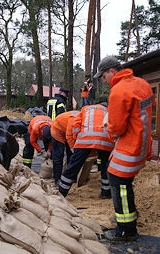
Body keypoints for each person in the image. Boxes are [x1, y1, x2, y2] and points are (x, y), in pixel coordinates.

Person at [93, 56, 155, 241]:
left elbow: (117, 127)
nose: (105, 81)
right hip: (143, 144)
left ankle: (126, 229)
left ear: (112, 71)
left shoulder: (119, 90)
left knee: (118, 182)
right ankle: (128, 218)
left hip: (129, 145)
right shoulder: (142, 84)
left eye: (104, 77)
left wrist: (109, 129)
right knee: (124, 184)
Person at [58, 102, 114, 198]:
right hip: (105, 139)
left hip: (85, 138)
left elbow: (76, 124)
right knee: (106, 165)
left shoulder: (85, 109)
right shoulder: (109, 111)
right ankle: (106, 193)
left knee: (74, 165)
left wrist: (77, 142)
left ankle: (61, 192)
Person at [50, 110, 79, 184]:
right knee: (59, 156)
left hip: (66, 129)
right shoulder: (74, 120)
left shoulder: (85, 121)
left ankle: (70, 176)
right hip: (57, 129)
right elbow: (69, 136)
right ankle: (57, 179)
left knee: (71, 156)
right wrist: (73, 149)